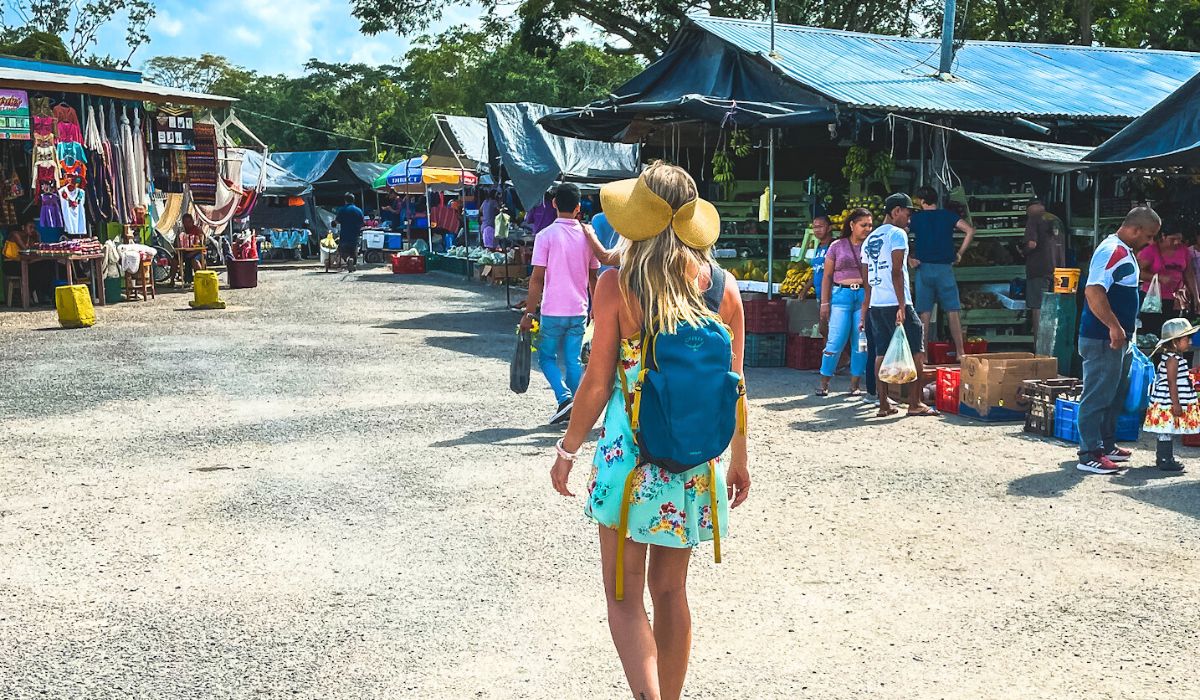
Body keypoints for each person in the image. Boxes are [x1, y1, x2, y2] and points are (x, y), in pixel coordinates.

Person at [548, 161, 750, 700]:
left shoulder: (618, 285)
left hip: (629, 463)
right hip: (692, 462)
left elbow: (595, 384)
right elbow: (736, 385)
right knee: (671, 592)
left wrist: (566, 452)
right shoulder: (724, 290)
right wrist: (739, 460)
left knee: (622, 595)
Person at [1075, 206, 1160, 474]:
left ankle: (1106, 445)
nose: (1150, 242)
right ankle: (1089, 453)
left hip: (1118, 338)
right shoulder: (1112, 251)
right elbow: (1093, 290)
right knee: (1097, 395)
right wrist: (1113, 327)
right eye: (1148, 236)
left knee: (1113, 393)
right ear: (1135, 229)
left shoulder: (1127, 252)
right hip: (1103, 338)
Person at [520, 183, 600, 424]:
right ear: (578, 207)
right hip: (579, 309)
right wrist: (595, 308)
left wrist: (528, 313)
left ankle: (564, 398)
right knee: (574, 359)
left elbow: (536, 279)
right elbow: (594, 277)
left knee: (546, 357)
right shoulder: (588, 238)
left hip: (552, 310)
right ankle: (576, 408)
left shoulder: (545, 236)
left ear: (554, 203)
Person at [861, 192, 936, 418]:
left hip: (877, 304)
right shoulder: (897, 234)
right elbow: (896, 271)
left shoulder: (869, 239)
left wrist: (867, 306)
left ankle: (883, 403)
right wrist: (902, 306)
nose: (909, 219)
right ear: (896, 212)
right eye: (907, 213)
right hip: (896, 301)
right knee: (917, 350)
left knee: (880, 353)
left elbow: (866, 278)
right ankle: (914, 403)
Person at [908, 186, 976, 361]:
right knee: (953, 311)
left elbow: (900, 235)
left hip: (924, 269)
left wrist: (909, 257)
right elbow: (970, 230)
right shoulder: (947, 216)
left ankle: (923, 355)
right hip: (945, 269)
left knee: (924, 314)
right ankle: (961, 353)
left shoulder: (915, 219)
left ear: (922, 201)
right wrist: (960, 253)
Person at [817, 208, 872, 397]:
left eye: (870, 225)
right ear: (852, 225)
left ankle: (855, 385)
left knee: (861, 343)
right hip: (841, 296)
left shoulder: (871, 246)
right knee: (835, 340)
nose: (867, 229)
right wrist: (825, 303)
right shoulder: (837, 246)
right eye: (863, 225)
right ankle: (824, 382)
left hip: (864, 297)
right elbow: (827, 276)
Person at [1144, 318, 1200, 472]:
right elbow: (1171, 382)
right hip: (1168, 400)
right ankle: (1165, 459)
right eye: (1186, 339)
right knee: (1166, 430)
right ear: (1175, 342)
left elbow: (1177, 377)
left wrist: (1189, 372)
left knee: (1167, 430)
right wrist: (1176, 403)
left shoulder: (1174, 358)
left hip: (1168, 399)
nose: (1189, 342)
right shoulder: (1172, 360)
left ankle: (1164, 457)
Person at [1137, 226, 1194, 336]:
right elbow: (1139, 272)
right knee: (1153, 332)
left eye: (1179, 239)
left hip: (1175, 299)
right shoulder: (1151, 250)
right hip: (1153, 299)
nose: (1176, 242)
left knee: (1174, 333)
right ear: (1163, 236)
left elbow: (1189, 273)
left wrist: (1195, 297)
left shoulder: (1183, 250)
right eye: (1172, 239)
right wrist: (1159, 278)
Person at [1023, 200, 1066, 335]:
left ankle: (1040, 348)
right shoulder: (1057, 220)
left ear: (1030, 210)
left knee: (1038, 308)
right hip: (1058, 271)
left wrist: (1022, 251)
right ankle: (1053, 346)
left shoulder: (1034, 219)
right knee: (1053, 308)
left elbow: (1031, 244)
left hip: (1039, 270)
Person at [799, 215, 834, 300]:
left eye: (820, 227)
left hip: (833, 296)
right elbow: (817, 271)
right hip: (820, 296)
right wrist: (805, 290)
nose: (817, 230)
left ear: (829, 228)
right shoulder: (818, 247)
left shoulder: (834, 246)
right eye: (815, 227)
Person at [334, 192, 364, 273]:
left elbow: (336, 222)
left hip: (344, 235)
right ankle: (353, 264)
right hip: (355, 235)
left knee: (342, 251)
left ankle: (348, 260)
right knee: (353, 251)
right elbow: (362, 223)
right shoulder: (359, 211)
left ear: (345, 200)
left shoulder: (342, 210)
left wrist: (333, 223)